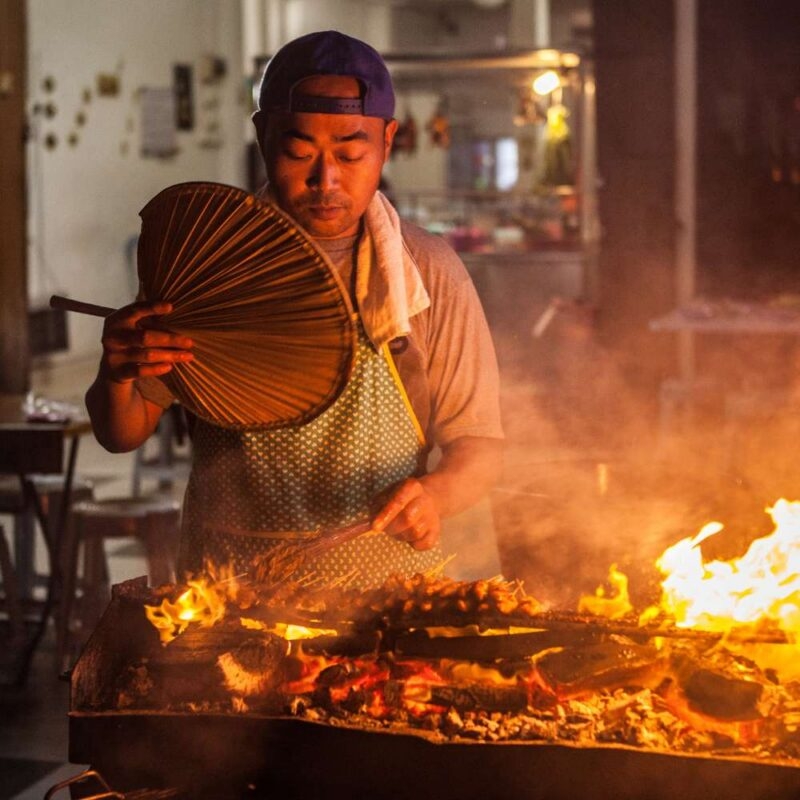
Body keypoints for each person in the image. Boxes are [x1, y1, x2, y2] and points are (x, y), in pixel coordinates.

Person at [85, 30, 503, 587]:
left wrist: (436, 495)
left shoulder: (425, 272)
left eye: (351, 154)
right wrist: (117, 374)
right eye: (299, 152)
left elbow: (478, 446)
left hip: (388, 599)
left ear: (388, 141)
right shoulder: (208, 262)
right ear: (262, 137)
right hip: (232, 595)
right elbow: (124, 432)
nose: (325, 180)